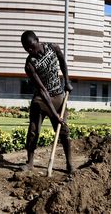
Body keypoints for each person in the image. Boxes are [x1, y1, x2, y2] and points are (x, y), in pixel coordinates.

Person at [20, 30, 74, 174]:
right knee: (33, 131)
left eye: (32, 46)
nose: (30, 51)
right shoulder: (29, 65)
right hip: (40, 100)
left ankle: (69, 164)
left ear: (38, 40)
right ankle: (30, 163)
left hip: (58, 96)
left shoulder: (53, 48)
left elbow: (62, 62)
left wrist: (67, 82)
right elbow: (42, 90)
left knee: (63, 131)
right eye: (27, 49)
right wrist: (54, 114)